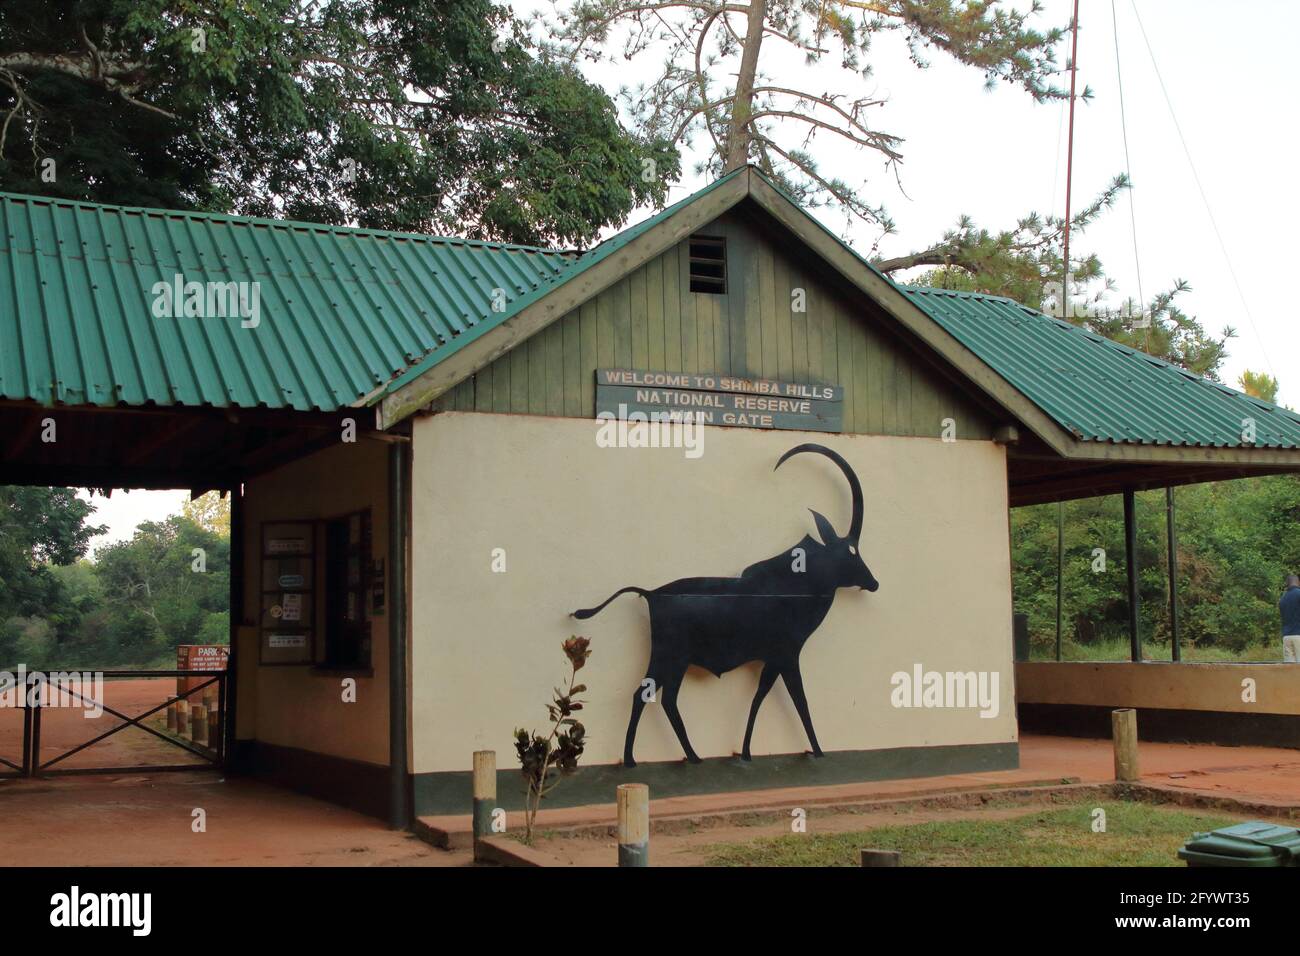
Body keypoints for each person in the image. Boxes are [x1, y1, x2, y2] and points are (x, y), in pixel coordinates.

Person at [1281, 575, 1300, 662]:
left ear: (1287, 584)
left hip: (1286, 637)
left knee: (1289, 670)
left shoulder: (1283, 598)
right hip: (1298, 635)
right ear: (1298, 582)